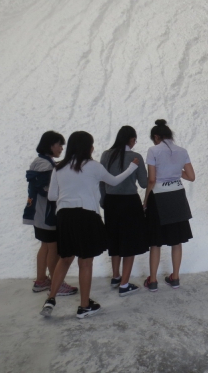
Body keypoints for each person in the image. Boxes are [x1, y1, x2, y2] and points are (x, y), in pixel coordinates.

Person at [40, 131, 139, 318]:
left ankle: (51, 298)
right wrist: (132, 168)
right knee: (85, 263)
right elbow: (114, 181)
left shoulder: (59, 167)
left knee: (65, 259)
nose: (93, 147)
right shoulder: (93, 166)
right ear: (87, 147)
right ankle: (84, 306)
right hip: (86, 216)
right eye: (91, 144)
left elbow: (52, 196)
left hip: (64, 217)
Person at [143, 120, 195, 291]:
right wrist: (174, 171)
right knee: (177, 241)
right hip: (177, 196)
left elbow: (151, 179)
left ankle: (152, 281)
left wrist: (145, 200)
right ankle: (175, 278)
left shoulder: (153, 150)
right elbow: (191, 176)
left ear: (156, 136)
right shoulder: (182, 151)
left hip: (158, 197)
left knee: (155, 242)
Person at [24, 131, 78, 296]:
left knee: (45, 246)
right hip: (47, 215)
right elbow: (47, 191)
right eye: (59, 145)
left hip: (38, 214)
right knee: (53, 248)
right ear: (50, 145)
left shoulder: (39, 161)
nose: (61, 148)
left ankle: (41, 280)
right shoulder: (46, 166)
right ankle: (57, 284)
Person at [100, 126, 149, 297]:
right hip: (129, 203)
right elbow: (144, 183)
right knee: (130, 242)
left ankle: (116, 277)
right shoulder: (135, 157)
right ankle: (124, 284)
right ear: (131, 139)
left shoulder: (106, 155)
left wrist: (103, 200)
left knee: (114, 239)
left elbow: (101, 181)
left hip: (110, 202)